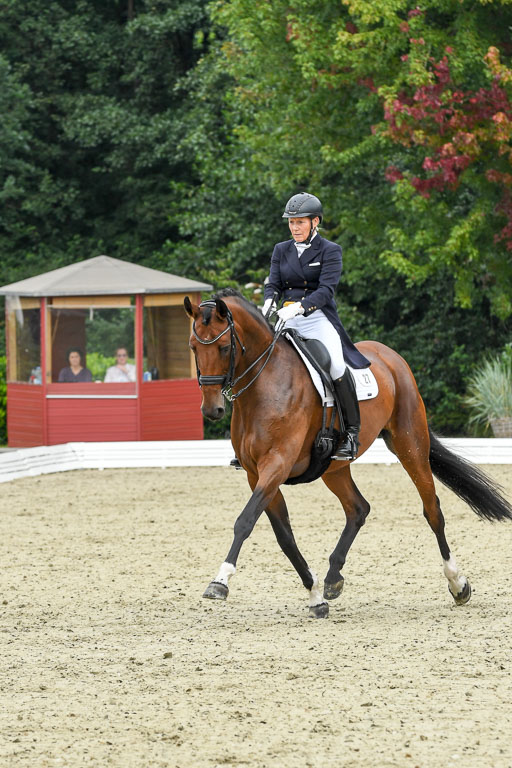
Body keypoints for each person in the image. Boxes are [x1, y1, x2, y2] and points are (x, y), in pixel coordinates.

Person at [262, 192, 371, 461]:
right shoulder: (280, 250)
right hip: (286, 318)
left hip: (317, 317)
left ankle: (351, 435)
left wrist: (300, 307)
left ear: (315, 222)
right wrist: (267, 302)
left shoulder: (330, 250)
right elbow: (273, 283)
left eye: (300, 222)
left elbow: (326, 290)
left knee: (335, 365)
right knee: (260, 364)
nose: (295, 228)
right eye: (291, 223)